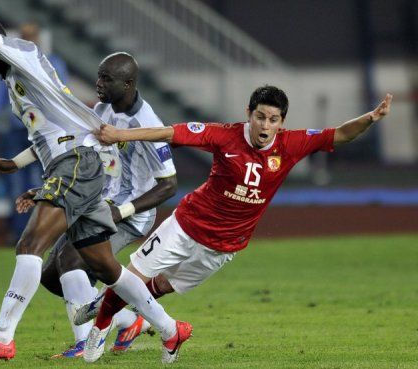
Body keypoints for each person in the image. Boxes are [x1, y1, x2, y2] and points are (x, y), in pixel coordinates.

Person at [0, 6, 190, 364]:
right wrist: (17, 163)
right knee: (100, 268)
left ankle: (2, 338)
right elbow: (60, 135)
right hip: (82, 169)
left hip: (80, 169)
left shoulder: (24, 53)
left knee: (31, 244)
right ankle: (169, 329)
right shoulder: (16, 82)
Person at [73, 85, 393, 362]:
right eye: (260, 117)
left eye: (273, 119)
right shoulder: (224, 135)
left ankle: (107, 304)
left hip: (224, 246)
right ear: (249, 114)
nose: (265, 125)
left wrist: (370, 118)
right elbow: (169, 132)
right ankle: (100, 327)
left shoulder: (291, 144)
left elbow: (340, 134)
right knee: (135, 275)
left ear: (281, 122)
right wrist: (119, 135)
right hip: (185, 226)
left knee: (160, 287)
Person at [15, 52, 178, 358]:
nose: (98, 83)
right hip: (96, 203)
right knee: (52, 278)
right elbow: (67, 142)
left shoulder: (146, 124)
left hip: (130, 213)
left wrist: (123, 211)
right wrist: (20, 166)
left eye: (106, 78)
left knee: (72, 261)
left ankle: (85, 343)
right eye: (99, 76)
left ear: (128, 83)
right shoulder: (102, 109)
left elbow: (169, 184)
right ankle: (131, 321)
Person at [0, 22, 68, 244]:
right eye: (25, 36)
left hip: (45, 135)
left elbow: (61, 95)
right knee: (15, 184)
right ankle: (18, 232)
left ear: (37, 38)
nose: (28, 40)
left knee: (45, 182)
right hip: (18, 133)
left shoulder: (52, 64)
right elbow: (1, 93)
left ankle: (44, 231)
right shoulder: (11, 62)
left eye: (31, 36)